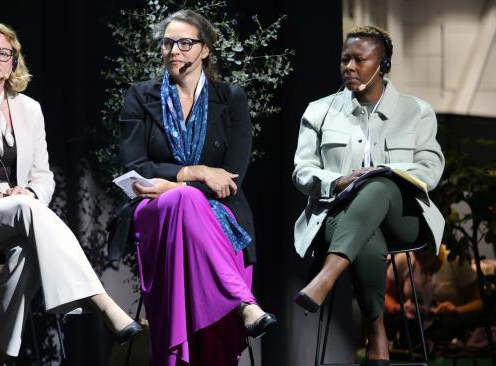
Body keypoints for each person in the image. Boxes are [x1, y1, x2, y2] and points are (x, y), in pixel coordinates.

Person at [0, 22, 141, 365]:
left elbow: (43, 175)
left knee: (28, 243)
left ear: (13, 63)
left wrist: (30, 194)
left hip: (21, 218)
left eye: (3, 53)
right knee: (26, 210)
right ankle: (102, 302)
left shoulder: (29, 109)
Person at [119, 9, 277, 366]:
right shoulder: (140, 96)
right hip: (154, 211)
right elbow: (136, 167)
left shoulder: (231, 97)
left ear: (204, 50)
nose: (175, 50)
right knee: (187, 196)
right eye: (168, 43)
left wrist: (172, 183)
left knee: (189, 200)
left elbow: (231, 178)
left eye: (185, 42)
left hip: (216, 212)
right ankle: (241, 303)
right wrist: (196, 172)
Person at [291, 25, 445, 365]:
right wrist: (340, 181)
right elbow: (302, 172)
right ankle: (377, 331)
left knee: (378, 185)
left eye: (360, 60)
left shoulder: (416, 112)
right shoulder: (320, 111)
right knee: (365, 230)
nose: (349, 67)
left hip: (402, 219)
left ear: (383, 65)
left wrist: (387, 173)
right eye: (345, 59)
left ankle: (327, 276)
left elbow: (430, 170)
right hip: (337, 216)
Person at [385, 244, 483, 347]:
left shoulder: (455, 260)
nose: (420, 256)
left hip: (446, 324)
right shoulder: (404, 258)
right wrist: (396, 307)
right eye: (417, 252)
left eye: (426, 252)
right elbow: (386, 294)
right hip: (412, 322)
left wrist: (457, 309)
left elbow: (480, 302)